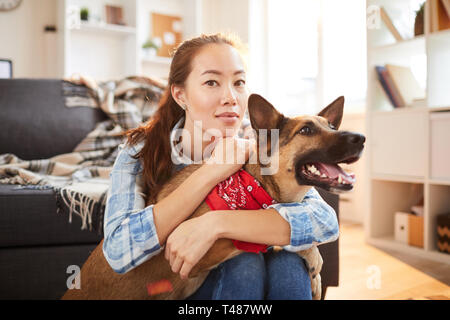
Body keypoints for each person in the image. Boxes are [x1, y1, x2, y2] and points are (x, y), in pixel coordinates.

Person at [102, 33, 339, 300]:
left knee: (288, 262)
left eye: (239, 82)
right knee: (245, 263)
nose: (231, 97)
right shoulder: (138, 151)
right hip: (172, 286)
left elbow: (325, 221)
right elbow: (118, 250)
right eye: (212, 82)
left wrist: (216, 223)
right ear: (181, 95)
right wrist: (213, 169)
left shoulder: (261, 142)